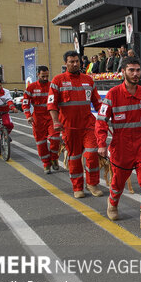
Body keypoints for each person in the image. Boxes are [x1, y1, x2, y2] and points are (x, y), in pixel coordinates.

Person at [95, 56, 141, 233]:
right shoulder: (113, 94)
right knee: (118, 181)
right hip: (121, 144)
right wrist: (101, 144)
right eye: (131, 70)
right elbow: (101, 120)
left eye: (138, 70)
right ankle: (112, 203)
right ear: (123, 72)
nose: (135, 73)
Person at [48, 50, 104, 198]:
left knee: (92, 153)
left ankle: (92, 183)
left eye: (77, 61)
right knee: (74, 157)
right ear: (65, 63)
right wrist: (55, 121)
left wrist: (106, 117)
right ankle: (78, 187)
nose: (74, 64)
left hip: (88, 125)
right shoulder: (57, 80)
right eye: (71, 61)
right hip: (69, 127)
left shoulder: (88, 80)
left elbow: (97, 101)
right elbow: (52, 104)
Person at [22, 66, 61, 174]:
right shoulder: (31, 87)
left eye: (47, 76)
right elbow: (25, 102)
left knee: (55, 138)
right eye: (43, 76)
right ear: (38, 75)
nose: (45, 78)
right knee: (41, 143)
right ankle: (46, 164)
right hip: (38, 119)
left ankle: (54, 158)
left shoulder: (52, 86)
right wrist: (28, 115)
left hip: (52, 117)